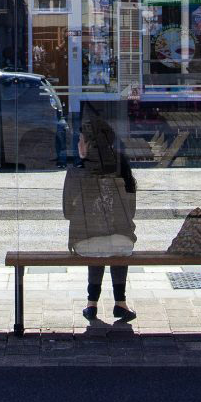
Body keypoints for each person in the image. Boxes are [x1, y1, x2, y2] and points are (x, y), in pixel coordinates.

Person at [63, 114, 138, 322]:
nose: (78, 144)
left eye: (81, 140)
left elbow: (67, 213)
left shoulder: (77, 171)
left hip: (85, 244)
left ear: (90, 144)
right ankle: (120, 303)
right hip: (122, 244)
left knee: (95, 239)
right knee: (116, 240)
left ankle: (91, 304)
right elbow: (130, 210)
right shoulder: (121, 163)